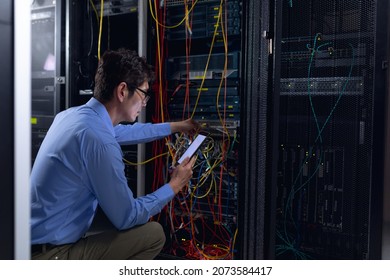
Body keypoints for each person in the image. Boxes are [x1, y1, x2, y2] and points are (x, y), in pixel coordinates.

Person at [30, 48, 198, 259]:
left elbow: (125, 131)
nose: (144, 103)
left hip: (26, 244)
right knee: (153, 234)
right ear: (122, 91)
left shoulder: (72, 117)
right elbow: (126, 217)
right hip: (50, 255)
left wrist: (176, 126)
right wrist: (174, 186)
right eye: (144, 94)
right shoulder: (99, 141)